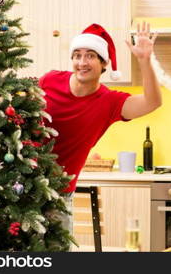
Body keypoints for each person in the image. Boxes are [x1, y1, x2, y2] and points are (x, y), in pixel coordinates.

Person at [39, 22, 161, 236]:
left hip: (59, 194)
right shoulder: (49, 81)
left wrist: (144, 60)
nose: (82, 62)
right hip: (20, 184)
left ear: (104, 63)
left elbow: (152, 102)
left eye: (90, 56)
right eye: (77, 55)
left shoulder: (109, 102)